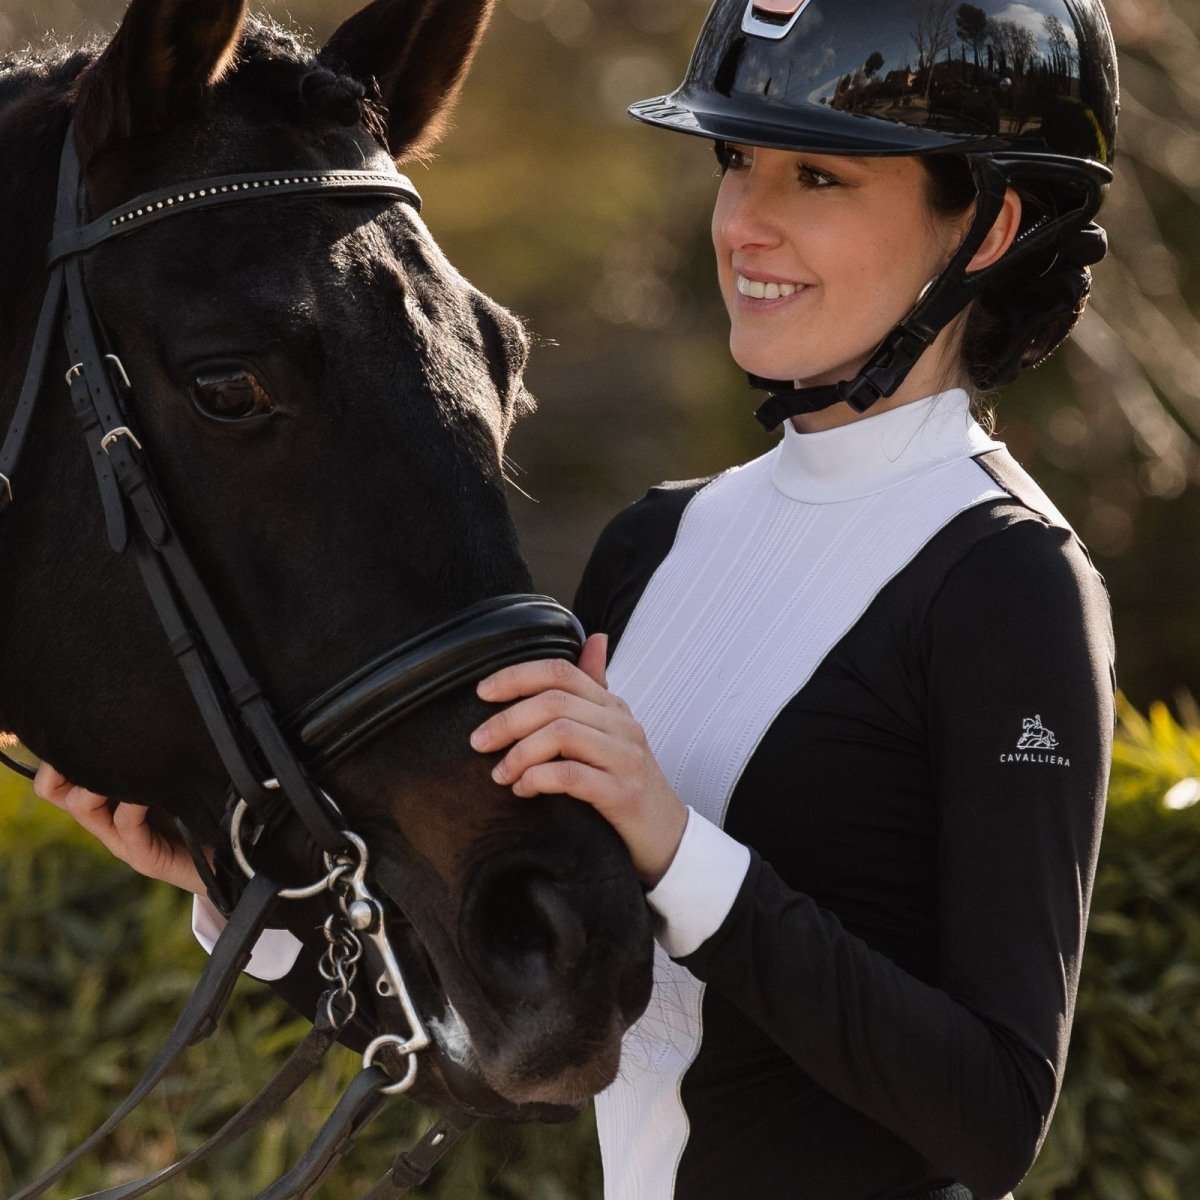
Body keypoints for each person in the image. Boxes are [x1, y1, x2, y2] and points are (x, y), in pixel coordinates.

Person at [34, 0, 1121, 1195]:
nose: (744, 224)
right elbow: (531, 1038)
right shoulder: (653, 544)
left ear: (989, 226)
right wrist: (237, 895)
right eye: (736, 162)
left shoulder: (1010, 581)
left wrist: (675, 849)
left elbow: (994, 1116)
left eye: (818, 178)